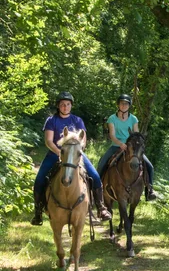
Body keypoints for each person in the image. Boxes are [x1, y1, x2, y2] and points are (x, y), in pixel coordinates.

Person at [31, 91, 112, 225]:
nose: (65, 107)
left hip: (75, 154)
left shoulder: (77, 120)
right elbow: (49, 141)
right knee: (40, 179)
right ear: (58, 106)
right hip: (55, 153)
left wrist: (76, 152)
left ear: (71, 106)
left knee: (95, 176)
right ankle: (38, 212)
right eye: (62, 104)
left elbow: (83, 140)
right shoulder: (52, 120)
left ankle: (101, 208)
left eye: (68, 104)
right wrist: (60, 153)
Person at [97, 94, 157, 201]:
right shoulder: (112, 118)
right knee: (102, 163)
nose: (124, 105)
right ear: (118, 105)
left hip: (132, 148)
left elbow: (136, 134)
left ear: (129, 105)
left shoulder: (133, 119)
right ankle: (97, 189)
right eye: (121, 103)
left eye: (126, 103)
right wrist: (121, 144)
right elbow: (112, 135)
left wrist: (134, 145)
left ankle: (150, 190)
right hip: (116, 146)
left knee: (150, 166)